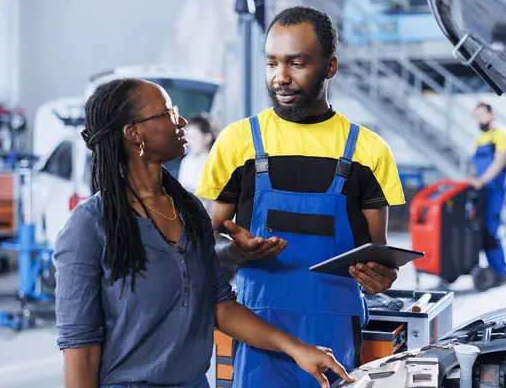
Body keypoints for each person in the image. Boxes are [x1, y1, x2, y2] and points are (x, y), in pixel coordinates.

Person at [53, 78, 357, 388]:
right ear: (134, 133)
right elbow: (82, 351)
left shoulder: (188, 210)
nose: (182, 120)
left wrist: (298, 349)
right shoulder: (89, 227)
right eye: (168, 113)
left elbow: (221, 306)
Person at [196, 6, 405, 388]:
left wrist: (381, 277)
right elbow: (207, 248)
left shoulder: (369, 152)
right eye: (272, 63)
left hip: (336, 331)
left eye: (297, 63)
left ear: (330, 67)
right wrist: (238, 252)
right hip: (257, 328)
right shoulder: (237, 143)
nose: (281, 77)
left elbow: (378, 256)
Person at [468, 102, 506, 286]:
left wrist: (482, 180)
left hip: (494, 191)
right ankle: (490, 271)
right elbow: (473, 166)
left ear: (492, 114)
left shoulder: (500, 135)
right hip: (479, 191)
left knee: (491, 230)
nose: (479, 120)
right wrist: (470, 180)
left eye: (482, 115)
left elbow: (500, 161)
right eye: (476, 116)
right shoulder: (479, 139)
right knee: (479, 230)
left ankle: (502, 272)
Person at [178, 113, 216, 213]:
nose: (189, 142)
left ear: (207, 138)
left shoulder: (216, 162)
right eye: (187, 137)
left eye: (193, 137)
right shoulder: (186, 162)